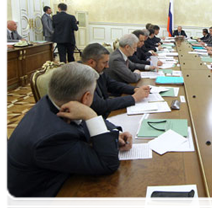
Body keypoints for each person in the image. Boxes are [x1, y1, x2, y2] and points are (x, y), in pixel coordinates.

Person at [5, 63, 132, 207]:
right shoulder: (51, 138)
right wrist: (91, 115)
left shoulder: (53, 101)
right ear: (86, 98)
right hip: (39, 199)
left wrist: (115, 132)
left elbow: (80, 120)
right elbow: (108, 164)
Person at [81, 43, 151, 118]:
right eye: (104, 63)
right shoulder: (80, 77)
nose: (107, 66)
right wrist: (134, 98)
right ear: (91, 62)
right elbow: (100, 106)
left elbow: (113, 84)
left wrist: (135, 89)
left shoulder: (97, 70)